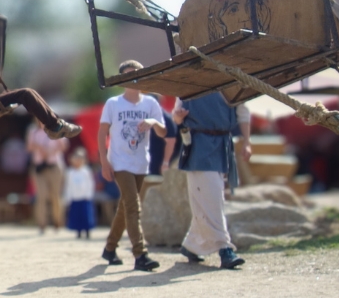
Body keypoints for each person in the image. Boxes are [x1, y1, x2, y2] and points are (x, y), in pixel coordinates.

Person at [97, 60, 168, 271]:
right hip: (119, 162)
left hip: (141, 162)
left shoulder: (151, 103)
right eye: (129, 75)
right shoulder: (113, 104)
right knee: (133, 206)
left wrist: (153, 122)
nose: (133, 79)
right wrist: (104, 161)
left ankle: (110, 248)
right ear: (122, 80)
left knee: (125, 207)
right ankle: (140, 254)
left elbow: (163, 132)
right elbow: (102, 133)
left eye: (137, 74)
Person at [172, 91, 251, 269]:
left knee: (208, 199)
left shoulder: (231, 83)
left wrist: (247, 141)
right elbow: (176, 116)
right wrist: (178, 117)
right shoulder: (187, 84)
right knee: (212, 197)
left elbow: (242, 112)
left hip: (223, 144)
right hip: (199, 145)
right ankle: (225, 248)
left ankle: (192, 245)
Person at [26, 124, 69, 235]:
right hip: (39, 167)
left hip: (54, 166)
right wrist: (40, 149)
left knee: (55, 196)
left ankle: (57, 222)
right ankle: (42, 224)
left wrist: (50, 151)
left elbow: (64, 146)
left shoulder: (57, 128)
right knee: (41, 196)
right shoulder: (33, 131)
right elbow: (29, 147)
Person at [64, 150, 97, 239]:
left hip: (85, 197)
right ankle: (78, 232)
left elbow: (90, 184)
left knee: (86, 216)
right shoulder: (70, 172)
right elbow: (68, 185)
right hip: (75, 198)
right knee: (76, 216)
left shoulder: (86, 171)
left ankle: (87, 231)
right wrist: (68, 197)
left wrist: (89, 195)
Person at [146, 93, 179, 176]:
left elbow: (170, 141)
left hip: (158, 159)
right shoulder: (145, 116)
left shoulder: (165, 118)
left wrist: (165, 162)